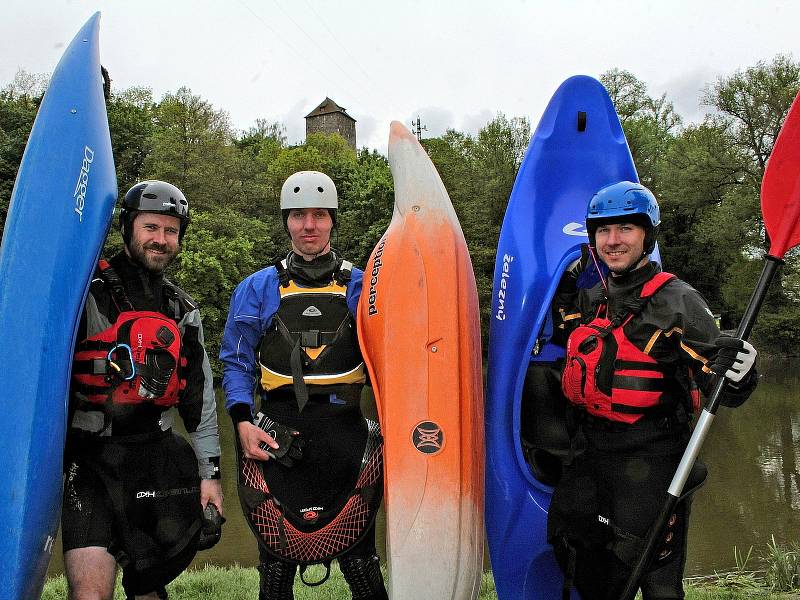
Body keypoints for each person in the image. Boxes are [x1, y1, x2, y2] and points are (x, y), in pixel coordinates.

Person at [547, 181, 758, 600]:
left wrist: (741, 373)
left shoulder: (679, 302)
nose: (612, 241)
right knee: (585, 563)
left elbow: (723, 391)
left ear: (647, 235)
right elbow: (569, 340)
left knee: (657, 583)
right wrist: (566, 290)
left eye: (625, 229)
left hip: (652, 461)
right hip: (593, 457)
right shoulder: (594, 297)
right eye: (603, 231)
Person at [220, 170, 387, 600]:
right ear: (286, 222)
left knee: (362, 569)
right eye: (298, 216)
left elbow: (390, 363)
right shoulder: (257, 288)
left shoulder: (363, 285)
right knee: (275, 575)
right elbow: (236, 364)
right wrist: (240, 422)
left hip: (346, 435)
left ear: (332, 220)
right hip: (277, 438)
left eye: (318, 215)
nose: (308, 226)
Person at [63, 180, 224, 600]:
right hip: (92, 462)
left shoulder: (181, 310)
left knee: (147, 592)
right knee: (89, 593)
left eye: (171, 231)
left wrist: (210, 475)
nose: (161, 240)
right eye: (151, 228)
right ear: (128, 228)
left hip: (156, 460)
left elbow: (201, 401)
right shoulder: (84, 296)